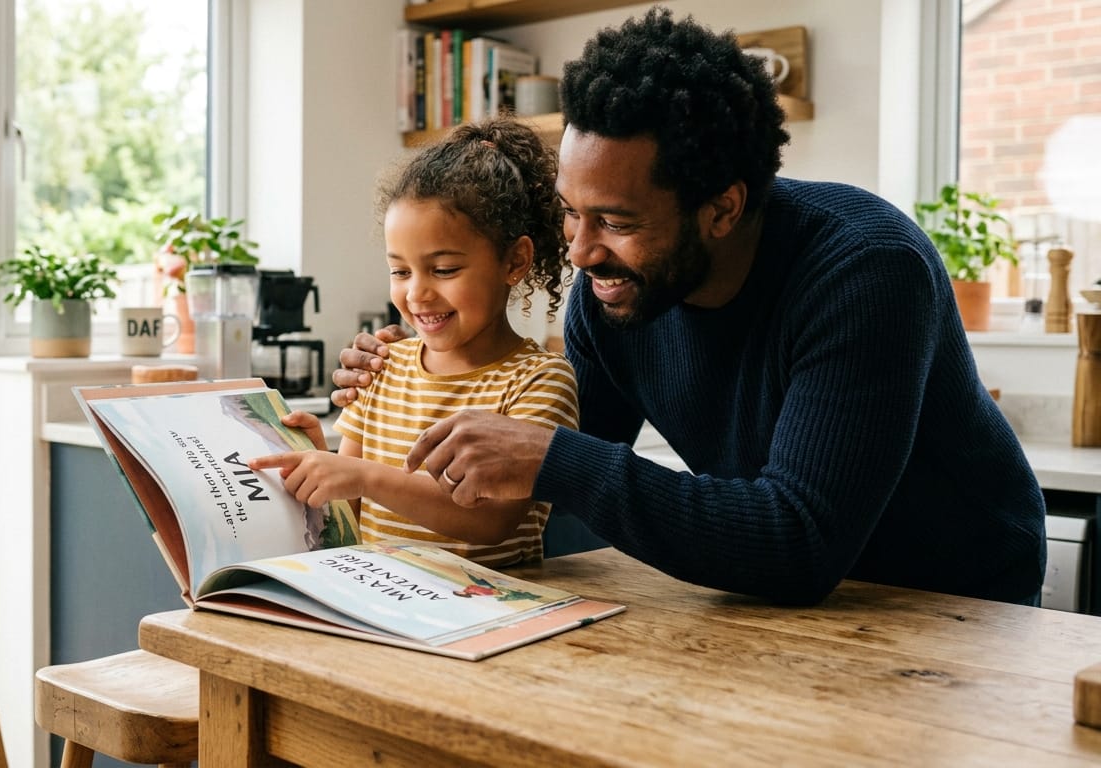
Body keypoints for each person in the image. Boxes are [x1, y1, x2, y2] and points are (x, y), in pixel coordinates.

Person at [331, 8, 1046, 605]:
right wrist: (423, 364)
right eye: (571, 215)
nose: (580, 253)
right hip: (784, 600)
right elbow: (537, 476)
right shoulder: (613, 296)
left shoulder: (866, 271)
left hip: (956, 597)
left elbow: (796, 541)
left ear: (722, 209)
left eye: (616, 221)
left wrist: (556, 458)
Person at [250, 116, 579, 568]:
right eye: (400, 271)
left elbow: (492, 521)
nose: (417, 293)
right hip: (384, 608)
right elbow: (349, 517)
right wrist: (318, 459)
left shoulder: (540, 380)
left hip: (489, 620)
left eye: (443, 270)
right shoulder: (380, 368)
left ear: (515, 261)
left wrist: (363, 475)